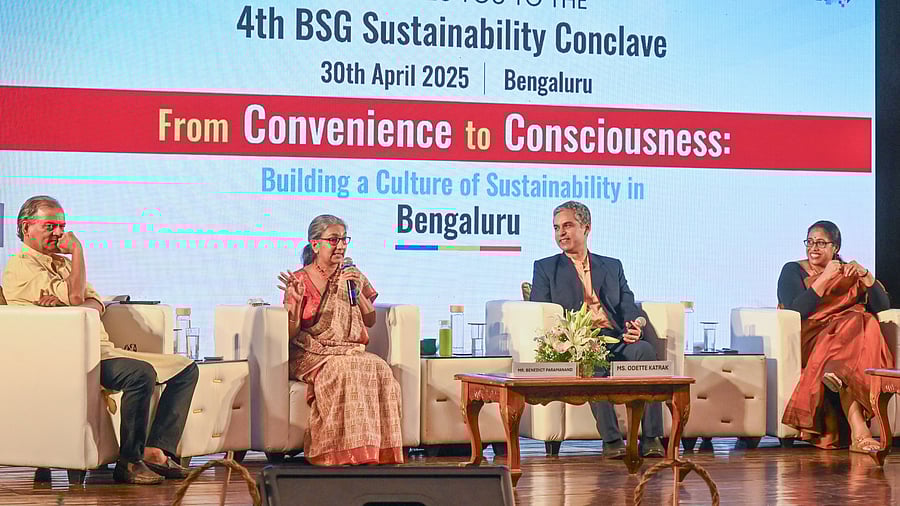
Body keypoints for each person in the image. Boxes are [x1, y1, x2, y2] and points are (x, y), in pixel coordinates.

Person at [2, 196, 198, 484]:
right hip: (69, 358)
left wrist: (73, 303)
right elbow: (79, 297)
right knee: (139, 374)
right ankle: (129, 462)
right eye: (50, 226)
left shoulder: (61, 264)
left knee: (185, 368)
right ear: (26, 227)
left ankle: (155, 450)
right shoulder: (20, 267)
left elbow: (95, 302)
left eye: (62, 226)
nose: (59, 233)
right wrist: (77, 251)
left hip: (102, 350)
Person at [530, 201, 665, 459]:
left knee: (645, 351)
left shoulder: (611, 266)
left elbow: (627, 304)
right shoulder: (546, 268)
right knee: (592, 365)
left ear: (586, 228)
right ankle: (612, 440)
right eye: (557, 228)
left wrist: (636, 325)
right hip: (578, 342)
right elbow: (542, 310)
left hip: (615, 338)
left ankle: (651, 438)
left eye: (568, 226)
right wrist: (571, 338)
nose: (561, 233)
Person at [277, 214, 404, 465]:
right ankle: (337, 451)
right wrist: (295, 304)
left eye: (345, 240)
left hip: (347, 348)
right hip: (310, 352)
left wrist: (356, 290)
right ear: (315, 244)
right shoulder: (300, 280)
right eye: (334, 240)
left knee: (379, 367)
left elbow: (370, 320)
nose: (341, 246)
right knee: (343, 368)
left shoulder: (352, 275)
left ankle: (374, 451)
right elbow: (290, 334)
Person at [778, 220, 893, 451]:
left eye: (821, 243)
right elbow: (795, 310)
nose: (813, 248)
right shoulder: (793, 270)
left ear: (836, 247)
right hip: (815, 337)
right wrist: (825, 278)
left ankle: (836, 375)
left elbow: (883, 307)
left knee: (866, 322)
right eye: (809, 242)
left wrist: (865, 275)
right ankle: (859, 434)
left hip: (847, 343)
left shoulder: (848, 272)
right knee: (858, 322)